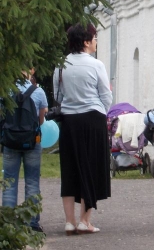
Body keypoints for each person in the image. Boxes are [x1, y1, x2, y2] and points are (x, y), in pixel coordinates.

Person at [53, 23, 112, 235]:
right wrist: (101, 111)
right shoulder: (96, 65)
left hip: (69, 120)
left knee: (69, 169)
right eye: (94, 38)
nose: (96, 42)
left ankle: (69, 221)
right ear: (86, 42)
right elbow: (105, 95)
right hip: (92, 119)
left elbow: (58, 96)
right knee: (91, 167)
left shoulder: (60, 65)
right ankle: (84, 221)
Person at [2, 70, 48, 233]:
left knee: (9, 181)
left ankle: (7, 223)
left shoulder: (6, 89)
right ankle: (32, 223)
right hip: (32, 142)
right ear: (32, 70)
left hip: (10, 141)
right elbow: (41, 119)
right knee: (32, 181)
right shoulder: (39, 92)